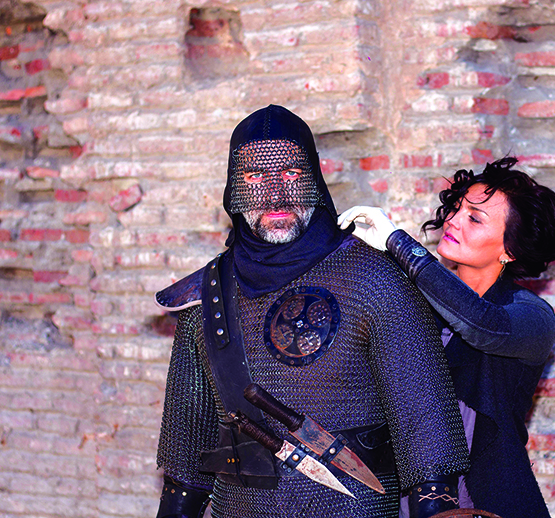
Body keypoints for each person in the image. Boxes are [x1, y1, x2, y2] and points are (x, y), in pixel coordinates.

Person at [152, 105, 469, 518]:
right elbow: (187, 454)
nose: (275, 195)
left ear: (314, 178)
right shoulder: (208, 294)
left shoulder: (373, 278)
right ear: (235, 187)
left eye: (290, 174)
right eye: (255, 177)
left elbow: (427, 435)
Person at [339, 157, 555, 518]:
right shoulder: (411, 300)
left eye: (474, 218)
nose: (453, 220)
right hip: (402, 496)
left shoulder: (532, 317)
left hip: (484, 499)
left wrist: (399, 244)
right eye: (457, 208)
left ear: (509, 250)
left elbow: (481, 324)